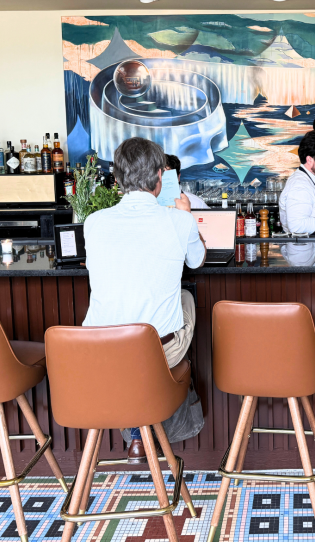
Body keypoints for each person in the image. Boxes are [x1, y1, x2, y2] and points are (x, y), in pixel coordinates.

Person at [83, 137, 206, 462]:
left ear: (117, 178)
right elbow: (197, 261)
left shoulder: (93, 223)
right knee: (185, 299)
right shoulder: (178, 220)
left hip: (96, 353)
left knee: (134, 326)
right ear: (159, 177)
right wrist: (187, 214)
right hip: (155, 352)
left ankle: (137, 431)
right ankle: (159, 419)